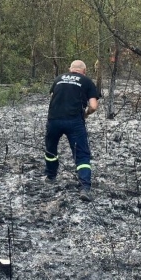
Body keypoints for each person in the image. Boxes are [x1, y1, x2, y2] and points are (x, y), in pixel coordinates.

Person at [44, 60, 99, 201]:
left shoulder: (58, 79)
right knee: (82, 155)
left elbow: (51, 97)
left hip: (54, 119)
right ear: (84, 71)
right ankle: (84, 187)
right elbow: (93, 106)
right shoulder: (86, 81)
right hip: (74, 121)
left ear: (70, 69)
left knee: (51, 150)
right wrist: (86, 113)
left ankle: (51, 177)